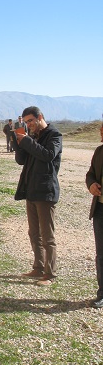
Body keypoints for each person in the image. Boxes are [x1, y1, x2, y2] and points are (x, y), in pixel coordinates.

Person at [14, 106, 62, 286]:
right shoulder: (33, 137)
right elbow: (21, 160)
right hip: (31, 191)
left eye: (31, 121)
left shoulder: (54, 136)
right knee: (34, 233)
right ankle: (38, 267)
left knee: (47, 236)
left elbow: (48, 155)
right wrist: (19, 142)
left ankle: (50, 274)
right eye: (26, 122)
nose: (29, 125)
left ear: (40, 117)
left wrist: (27, 141)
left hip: (46, 192)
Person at [85, 122, 103, 308]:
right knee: (101, 255)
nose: (100, 131)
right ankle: (102, 293)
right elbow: (90, 174)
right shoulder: (99, 152)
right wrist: (91, 184)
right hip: (100, 211)